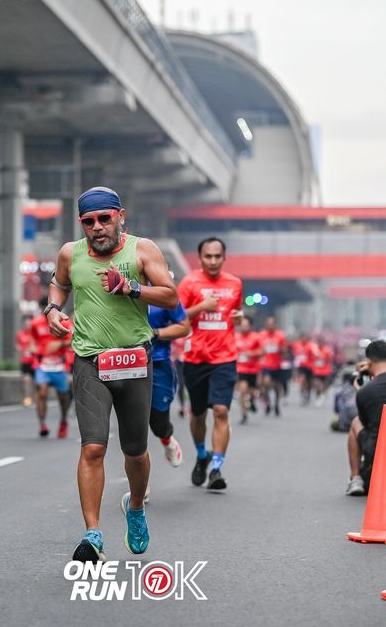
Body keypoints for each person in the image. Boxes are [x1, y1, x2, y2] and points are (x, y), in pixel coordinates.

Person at [46, 186, 178, 562]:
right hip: (90, 360)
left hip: (134, 361)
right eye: (89, 221)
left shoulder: (142, 250)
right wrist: (52, 309)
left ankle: (134, 507)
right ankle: (93, 535)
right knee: (93, 447)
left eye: (104, 218)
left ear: (120, 216)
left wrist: (131, 288)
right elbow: (58, 284)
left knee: (135, 452)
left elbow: (170, 296)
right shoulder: (70, 253)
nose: (97, 227)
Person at [177, 237, 243, 492]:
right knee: (198, 414)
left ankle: (216, 467)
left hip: (225, 357)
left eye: (217, 256)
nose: (213, 261)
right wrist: (202, 306)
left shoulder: (235, 283)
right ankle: (201, 454)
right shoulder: (189, 282)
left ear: (224, 257)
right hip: (195, 358)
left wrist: (239, 316)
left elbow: (235, 313)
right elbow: (176, 316)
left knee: (221, 411)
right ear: (200, 258)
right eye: (208, 256)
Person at [148, 299, 191, 467]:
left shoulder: (162, 292)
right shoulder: (114, 290)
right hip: (123, 363)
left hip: (157, 362)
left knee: (159, 424)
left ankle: (167, 439)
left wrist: (154, 332)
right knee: (133, 429)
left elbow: (184, 326)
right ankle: (138, 482)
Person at [346, 340, 386, 496]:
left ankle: (355, 479)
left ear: (368, 361)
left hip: (377, 449)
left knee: (356, 422)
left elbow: (366, 422)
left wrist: (360, 390)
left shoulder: (365, 392)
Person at [30, 298, 72, 438]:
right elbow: (32, 341)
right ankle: (42, 424)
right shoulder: (36, 323)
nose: (47, 312)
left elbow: (73, 339)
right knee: (41, 393)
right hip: (42, 365)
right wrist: (34, 349)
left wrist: (60, 344)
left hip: (59, 365)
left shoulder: (64, 322)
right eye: (44, 310)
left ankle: (64, 420)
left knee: (63, 397)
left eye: (49, 309)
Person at [235, 315, 263, 424]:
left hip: (253, 369)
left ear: (251, 326)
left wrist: (251, 354)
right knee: (243, 391)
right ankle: (244, 414)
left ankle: (251, 400)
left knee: (250, 392)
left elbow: (263, 351)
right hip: (241, 369)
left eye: (246, 325)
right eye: (242, 325)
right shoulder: (236, 337)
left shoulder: (256, 337)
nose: (244, 327)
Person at [259, 315, 286, 417]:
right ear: (266, 324)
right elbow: (258, 348)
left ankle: (276, 404)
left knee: (276, 387)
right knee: (266, 383)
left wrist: (279, 349)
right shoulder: (261, 335)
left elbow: (285, 350)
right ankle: (268, 403)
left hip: (277, 365)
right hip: (265, 364)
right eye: (268, 324)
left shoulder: (280, 335)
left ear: (275, 325)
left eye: (272, 324)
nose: (270, 326)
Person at [15, 315, 34, 406]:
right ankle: (27, 397)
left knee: (36, 381)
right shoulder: (20, 334)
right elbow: (17, 345)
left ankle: (34, 397)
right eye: (26, 323)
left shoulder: (35, 334)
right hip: (25, 361)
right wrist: (19, 350)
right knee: (26, 379)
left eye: (29, 323)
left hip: (35, 361)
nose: (27, 325)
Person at [293, 333, 315, 405]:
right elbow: (294, 353)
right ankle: (302, 395)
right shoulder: (296, 345)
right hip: (301, 366)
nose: (304, 339)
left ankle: (308, 393)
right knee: (302, 380)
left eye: (305, 338)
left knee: (309, 382)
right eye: (302, 338)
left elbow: (316, 354)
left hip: (310, 366)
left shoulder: (311, 345)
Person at [312, 335, 334, 407]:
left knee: (324, 385)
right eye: (318, 342)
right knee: (317, 384)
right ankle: (318, 395)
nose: (319, 344)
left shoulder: (327, 350)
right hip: (317, 370)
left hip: (325, 370)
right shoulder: (315, 350)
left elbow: (329, 359)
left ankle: (322, 394)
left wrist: (323, 358)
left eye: (321, 342)